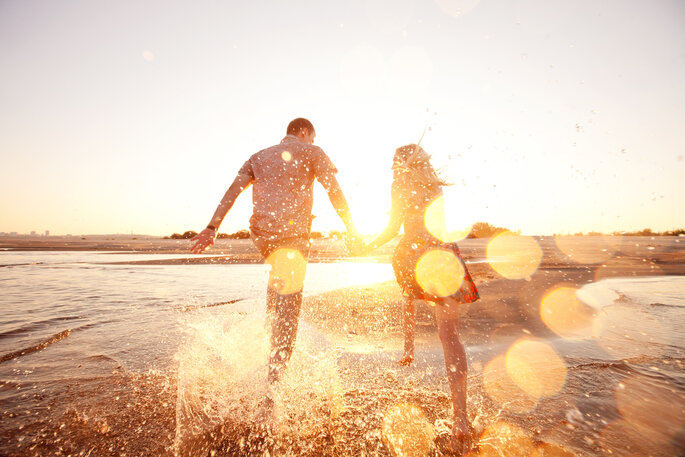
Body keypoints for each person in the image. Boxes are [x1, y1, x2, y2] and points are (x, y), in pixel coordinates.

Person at [190, 118, 360, 390]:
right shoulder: (312, 152)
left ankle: (265, 356)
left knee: (276, 292)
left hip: (262, 236)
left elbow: (233, 191)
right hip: (291, 238)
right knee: (288, 314)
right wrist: (352, 228)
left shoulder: (258, 156)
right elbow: (333, 190)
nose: (312, 143)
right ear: (305, 132)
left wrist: (212, 228)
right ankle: (271, 398)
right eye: (312, 138)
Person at [363, 144, 479, 455]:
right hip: (443, 255)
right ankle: (461, 418)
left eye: (394, 162)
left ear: (403, 163)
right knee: (450, 335)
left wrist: (369, 244)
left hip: (413, 253)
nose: (391, 167)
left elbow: (393, 226)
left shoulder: (398, 184)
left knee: (409, 293)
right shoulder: (434, 186)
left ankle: (409, 347)